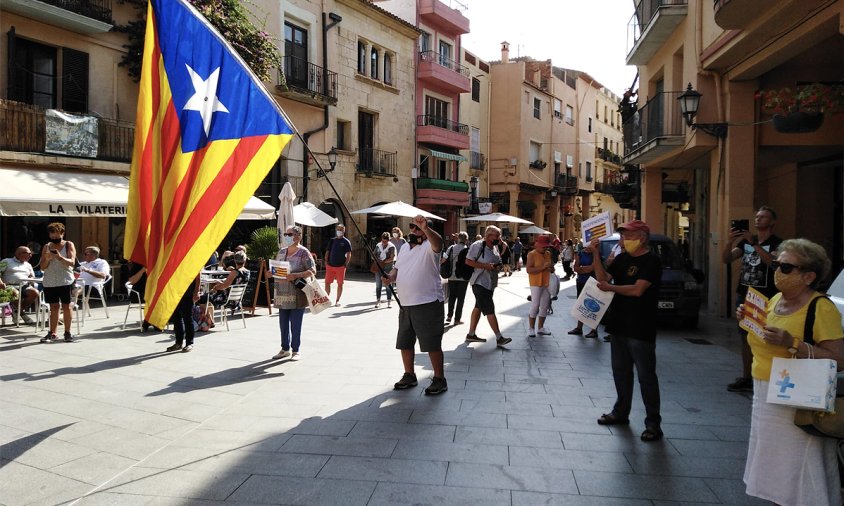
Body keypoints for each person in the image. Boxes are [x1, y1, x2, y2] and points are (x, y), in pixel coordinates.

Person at [738, 238, 843, 505]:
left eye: (786, 268)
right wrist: (748, 320)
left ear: (808, 276)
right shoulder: (773, 301)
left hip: (798, 398)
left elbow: (838, 358)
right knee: (775, 467)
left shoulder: (821, 307)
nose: (777, 272)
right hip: (765, 392)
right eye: (776, 264)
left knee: (800, 464)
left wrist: (793, 344)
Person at [590, 219, 663, 442]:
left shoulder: (652, 261)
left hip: (641, 327)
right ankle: (620, 412)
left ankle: (653, 424)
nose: (624, 239)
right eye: (623, 235)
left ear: (642, 237)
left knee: (646, 377)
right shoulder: (622, 258)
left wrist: (611, 288)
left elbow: (637, 290)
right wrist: (595, 254)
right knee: (620, 373)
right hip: (619, 325)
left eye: (628, 236)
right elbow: (602, 278)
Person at [384, 216, 448, 395]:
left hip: (427, 302)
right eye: (412, 226)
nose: (414, 230)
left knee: (431, 343)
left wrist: (426, 229)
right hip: (405, 303)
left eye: (418, 227)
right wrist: (389, 278)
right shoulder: (404, 247)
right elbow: (397, 270)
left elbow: (438, 242)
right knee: (405, 341)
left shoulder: (430, 246)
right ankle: (409, 375)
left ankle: (439, 378)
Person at [722, 205, 782, 393]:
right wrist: (730, 242)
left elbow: (773, 264)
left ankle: (765, 374)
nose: (758, 220)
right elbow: (726, 259)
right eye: (756, 217)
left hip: (766, 295)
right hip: (745, 294)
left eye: (763, 217)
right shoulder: (745, 243)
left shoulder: (777, 244)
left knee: (764, 335)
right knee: (745, 335)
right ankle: (747, 376)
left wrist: (754, 244)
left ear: (772, 222)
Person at [464, 225, 513, 348]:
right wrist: (487, 266)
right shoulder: (477, 246)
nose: (499, 238)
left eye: (499, 236)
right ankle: (499, 337)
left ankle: (471, 334)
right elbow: (468, 261)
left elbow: (497, 261)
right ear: (488, 235)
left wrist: (498, 265)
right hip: (479, 282)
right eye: (497, 236)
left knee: (478, 307)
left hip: (490, 283)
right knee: (489, 308)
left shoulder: (495, 247)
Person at [273, 225, 316, 361]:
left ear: (298, 236)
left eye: (289, 234)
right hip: (281, 293)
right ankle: (285, 348)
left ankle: (296, 350)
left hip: (297, 293)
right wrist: (271, 272)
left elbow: (312, 270)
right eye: (286, 234)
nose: (286, 236)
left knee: (296, 323)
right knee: (283, 323)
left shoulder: (304, 252)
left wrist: (297, 275)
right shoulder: (281, 252)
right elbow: (277, 269)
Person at [39, 222, 77, 342]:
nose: (55, 237)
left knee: (66, 306)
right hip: (50, 281)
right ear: (49, 235)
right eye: (52, 234)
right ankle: (53, 332)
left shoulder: (68, 244)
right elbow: (42, 267)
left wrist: (60, 257)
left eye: (57, 234)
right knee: (53, 307)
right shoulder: (46, 246)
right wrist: (47, 259)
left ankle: (67, 332)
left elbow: (72, 262)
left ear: (62, 233)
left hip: (65, 280)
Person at [197, 251, 249, 324]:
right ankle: (210, 320)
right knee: (208, 298)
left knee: (201, 298)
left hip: (226, 298)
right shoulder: (247, 272)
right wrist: (221, 283)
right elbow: (233, 284)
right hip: (236, 299)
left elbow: (225, 286)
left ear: (234, 260)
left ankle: (210, 321)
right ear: (245, 260)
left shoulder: (235, 272)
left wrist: (215, 288)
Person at [569, 241, 600, 339]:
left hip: (593, 282)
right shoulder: (580, 253)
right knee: (581, 304)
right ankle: (579, 328)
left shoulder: (597, 253)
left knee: (593, 306)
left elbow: (595, 267)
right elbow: (575, 268)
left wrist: (583, 269)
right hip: (581, 281)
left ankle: (594, 330)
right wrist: (587, 269)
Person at [0, 246, 39, 324]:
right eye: (29, 253)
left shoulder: (28, 265)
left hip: (24, 286)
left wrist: (31, 279)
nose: (31, 255)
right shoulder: (6, 261)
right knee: (15, 293)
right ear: (19, 253)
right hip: (8, 286)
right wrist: (0, 283)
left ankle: (16, 311)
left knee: (35, 292)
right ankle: (23, 315)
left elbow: (31, 276)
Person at [525, 234, 554, 337]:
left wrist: (551, 268)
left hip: (546, 282)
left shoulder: (548, 254)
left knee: (544, 306)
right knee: (535, 305)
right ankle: (531, 328)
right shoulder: (531, 254)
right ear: (537, 245)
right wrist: (543, 267)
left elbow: (552, 268)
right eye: (543, 246)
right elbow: (529, 270)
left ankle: (541, 327)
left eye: (546, 246)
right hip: (536, 283)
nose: (545, 248)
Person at [165, 276, 200, 352]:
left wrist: (196, 291)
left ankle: (189, 343)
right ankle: (178, 343)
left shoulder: (191, 263)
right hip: (174, 292)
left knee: (187, 317)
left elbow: (197, 275)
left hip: (188, 292)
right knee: (176, 318)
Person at [443, 232, 470, 325]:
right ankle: (457, 319)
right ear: (466, 240)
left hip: (451, 276)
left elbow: (443, 259)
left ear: (458, 239)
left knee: (452, 297)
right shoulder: (468, 250)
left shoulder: (451, 248)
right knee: (460, 299)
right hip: (463, 278)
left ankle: (449, 316)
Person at [324, 224, 352, 307]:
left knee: (340, 284)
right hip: (330, 266)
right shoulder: (332, 240)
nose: (339, 231)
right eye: (338, 229)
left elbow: (349, 254)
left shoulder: (346, 242)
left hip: (340, 267)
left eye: (341, 230)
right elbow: (328, 251)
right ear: (336, 230)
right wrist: (326, 262)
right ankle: (326, 299)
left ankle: (337, 300)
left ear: (344, 231)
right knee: (327, 283)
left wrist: (345, 265)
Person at [373, 232, 396, 308]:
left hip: (388, 268)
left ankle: (389, 301)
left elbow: (392, 258)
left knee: (388, 285)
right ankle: (378, 300)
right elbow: (373, 255)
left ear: (388, 240)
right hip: (379, 268)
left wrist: (384, 261)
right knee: (378, 285)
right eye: (383, 241)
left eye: (385, 242)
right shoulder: (378, 245)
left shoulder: (391, 247)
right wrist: (378, 260)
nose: (384, 243)